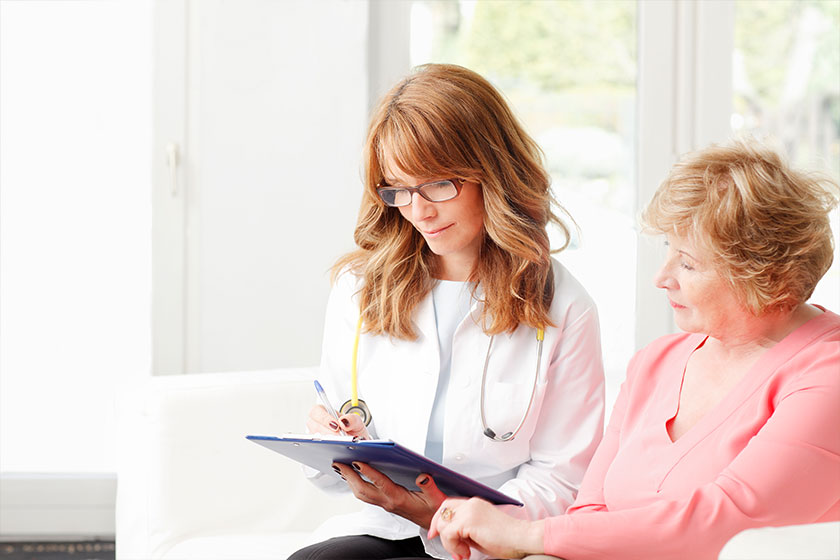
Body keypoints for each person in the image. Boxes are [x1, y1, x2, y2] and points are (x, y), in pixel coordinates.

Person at [428, 138, 840, 560]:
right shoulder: (657, 362)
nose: (662, 278)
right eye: (668, 251)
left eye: (688, 263)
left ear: (762, 274)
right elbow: (590, 512)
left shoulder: (828, 374)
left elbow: (726, 523)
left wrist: (525, 535)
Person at [288, 64, 605, 560]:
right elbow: (335, 439)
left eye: (437, 184)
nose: (419, 211)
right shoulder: (360, 289)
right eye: (398, 189)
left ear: (492, 171)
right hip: (386, 528)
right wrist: (331, 437)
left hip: (493, 542)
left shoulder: (564, 307)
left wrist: (450, 515)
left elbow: (563, 479)